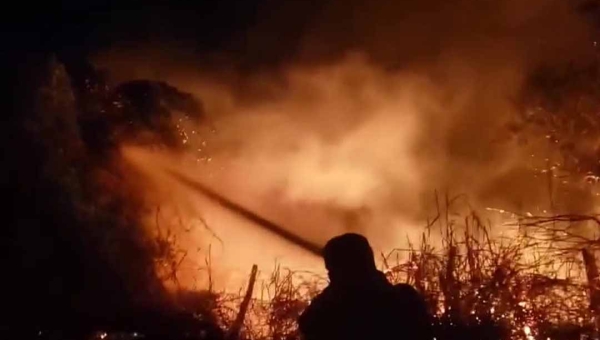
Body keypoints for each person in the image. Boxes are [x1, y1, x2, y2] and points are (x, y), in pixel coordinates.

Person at [298, 233, 432, 340]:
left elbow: (307, 324)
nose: (330, 276)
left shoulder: (328, 310)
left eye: (332, 270)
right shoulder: (406, 298)